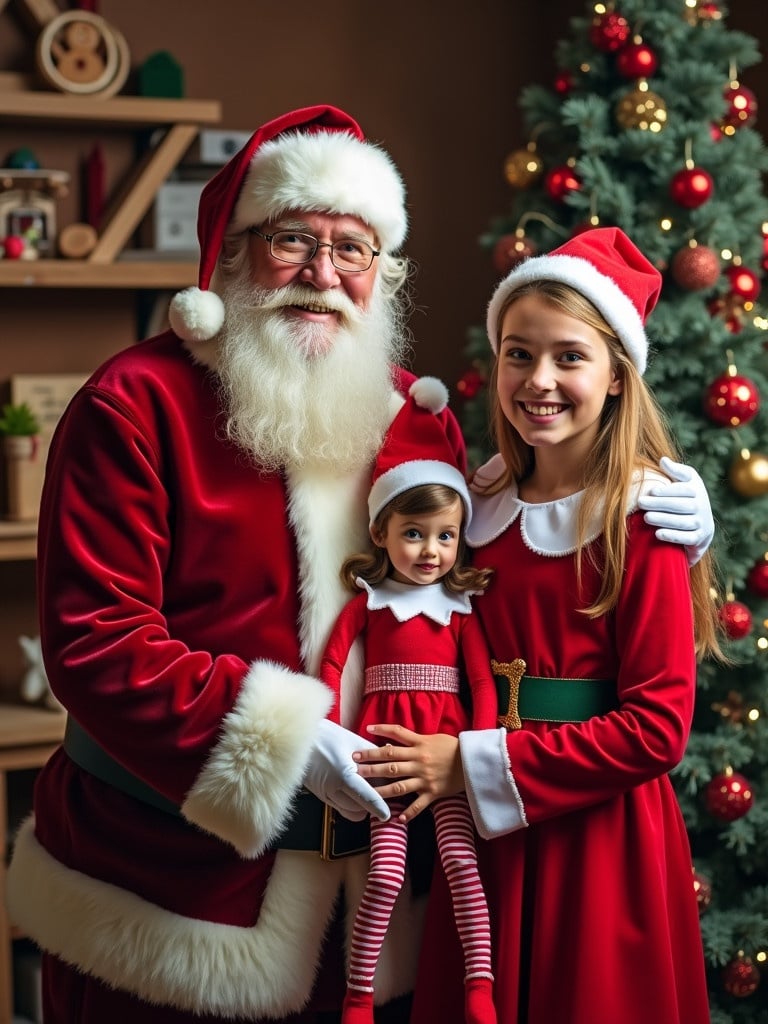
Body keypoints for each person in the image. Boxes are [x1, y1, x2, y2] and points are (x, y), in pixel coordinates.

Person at [3, 98, 714, 1024]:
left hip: (379, 907)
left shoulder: (410, 416)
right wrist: (291, 740)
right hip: (173, 897)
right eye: (293, 239)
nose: (323, 274)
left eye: (354, 249)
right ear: (232, 248)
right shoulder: (135, 406)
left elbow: (509, 552)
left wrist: (681, 518)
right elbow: (96, 645)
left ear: (384, 271)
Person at [352, 227, 723, 1024]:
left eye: (569, 357)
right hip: (479, 845)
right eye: (518, 354)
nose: (539, 380)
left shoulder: (643, 518)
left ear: (619, 377)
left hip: (599, 835)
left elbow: (658, 728)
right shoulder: (469, 507)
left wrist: (469, 764)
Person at [319, 377, 498, 1024]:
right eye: (416, 534)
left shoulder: (461, 610)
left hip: (449, 758)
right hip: (384, 754)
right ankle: (359, 993)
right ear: (382, 530)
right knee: (387, 876)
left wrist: (474, 753)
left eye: (446, 537)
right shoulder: (369, 602)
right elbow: (334, 662)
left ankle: (481, 987)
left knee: (460, 866)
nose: (431, 552)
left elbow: (481, 684)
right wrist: (333, 729)